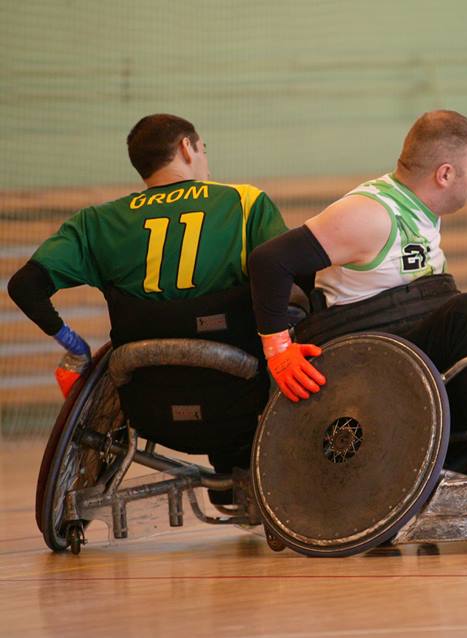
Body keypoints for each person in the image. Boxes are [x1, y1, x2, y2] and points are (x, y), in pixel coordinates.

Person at [248, 110, 467, 474]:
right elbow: (269, 261)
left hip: (414, 351)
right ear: (445, 174)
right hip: (374, 369)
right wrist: (279, 351)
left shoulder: (419, 208)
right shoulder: (370, 214)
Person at [8, 114, 289, 495]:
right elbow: (288, 282)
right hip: (238, 395)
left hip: (146, 403)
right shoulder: (244, 202)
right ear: (187, 148)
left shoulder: (96, 222)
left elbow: (24, 286)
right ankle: (247, 472)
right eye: (203, 149)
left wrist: (74, 345)